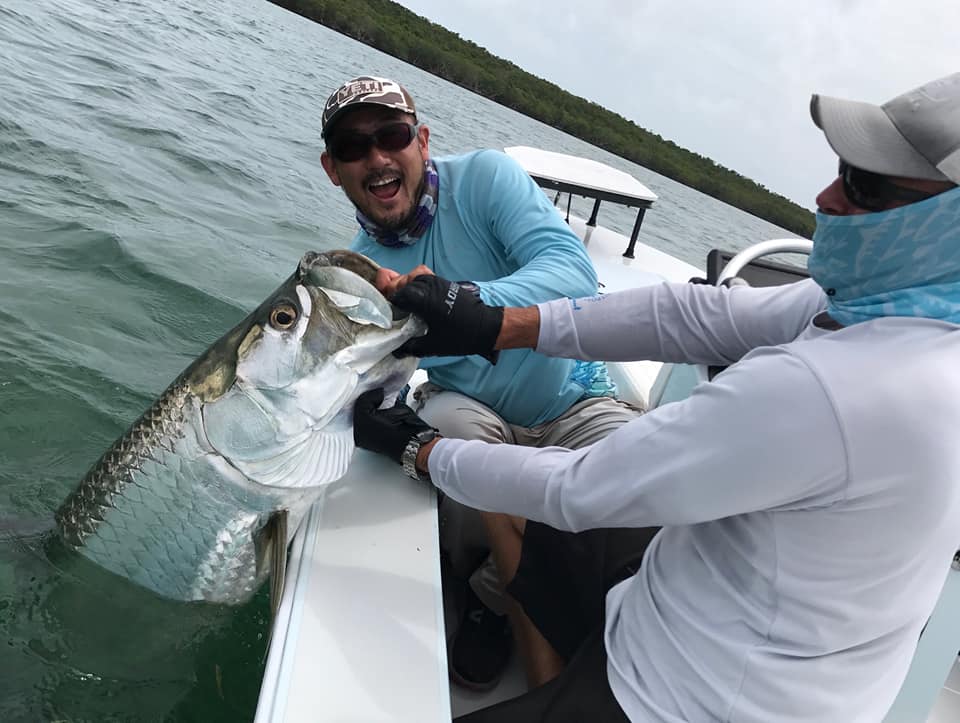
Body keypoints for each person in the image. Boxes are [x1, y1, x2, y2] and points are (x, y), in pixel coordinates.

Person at [353, 71, 960, 721]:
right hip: (737, 630)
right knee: (528, 515)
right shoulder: (893, 311)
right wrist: (497, 323)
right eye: (843, 168)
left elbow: (578, 488)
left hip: (686, 698)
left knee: (540, 499)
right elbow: (694, 318)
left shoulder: (833, 387)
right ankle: (539, 671)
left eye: (863, 185)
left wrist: (419, 447)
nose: (825, 195)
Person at [318, 75, 644, 690]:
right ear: (332, 168)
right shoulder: (359, 274)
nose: (378, 157)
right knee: (453, 441)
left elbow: (573, 272)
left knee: (643, 479)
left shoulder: (486, 178)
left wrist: (463, 302)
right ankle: (484, 599)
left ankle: (495, 594)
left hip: (576, 394)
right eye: (354, 146)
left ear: (422, 140)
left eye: (392, 135)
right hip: (468, 406)